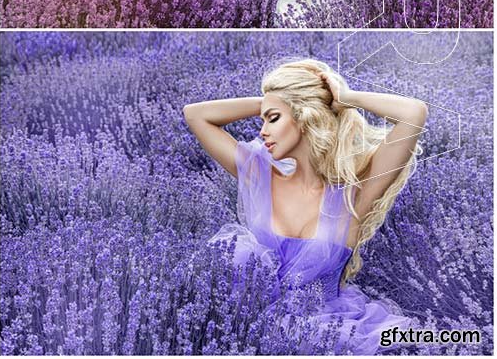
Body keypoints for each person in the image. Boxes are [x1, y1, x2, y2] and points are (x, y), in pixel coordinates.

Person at [183, 55, 427, 354]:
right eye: (263, 120)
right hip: (247, 330)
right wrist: (276, 101)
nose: (262, 131)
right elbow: (195, 115)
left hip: (330, 334)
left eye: (272, 119)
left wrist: (343, 98)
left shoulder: (355, 196)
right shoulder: (260, 177)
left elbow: (413, 114)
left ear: (305, 116)